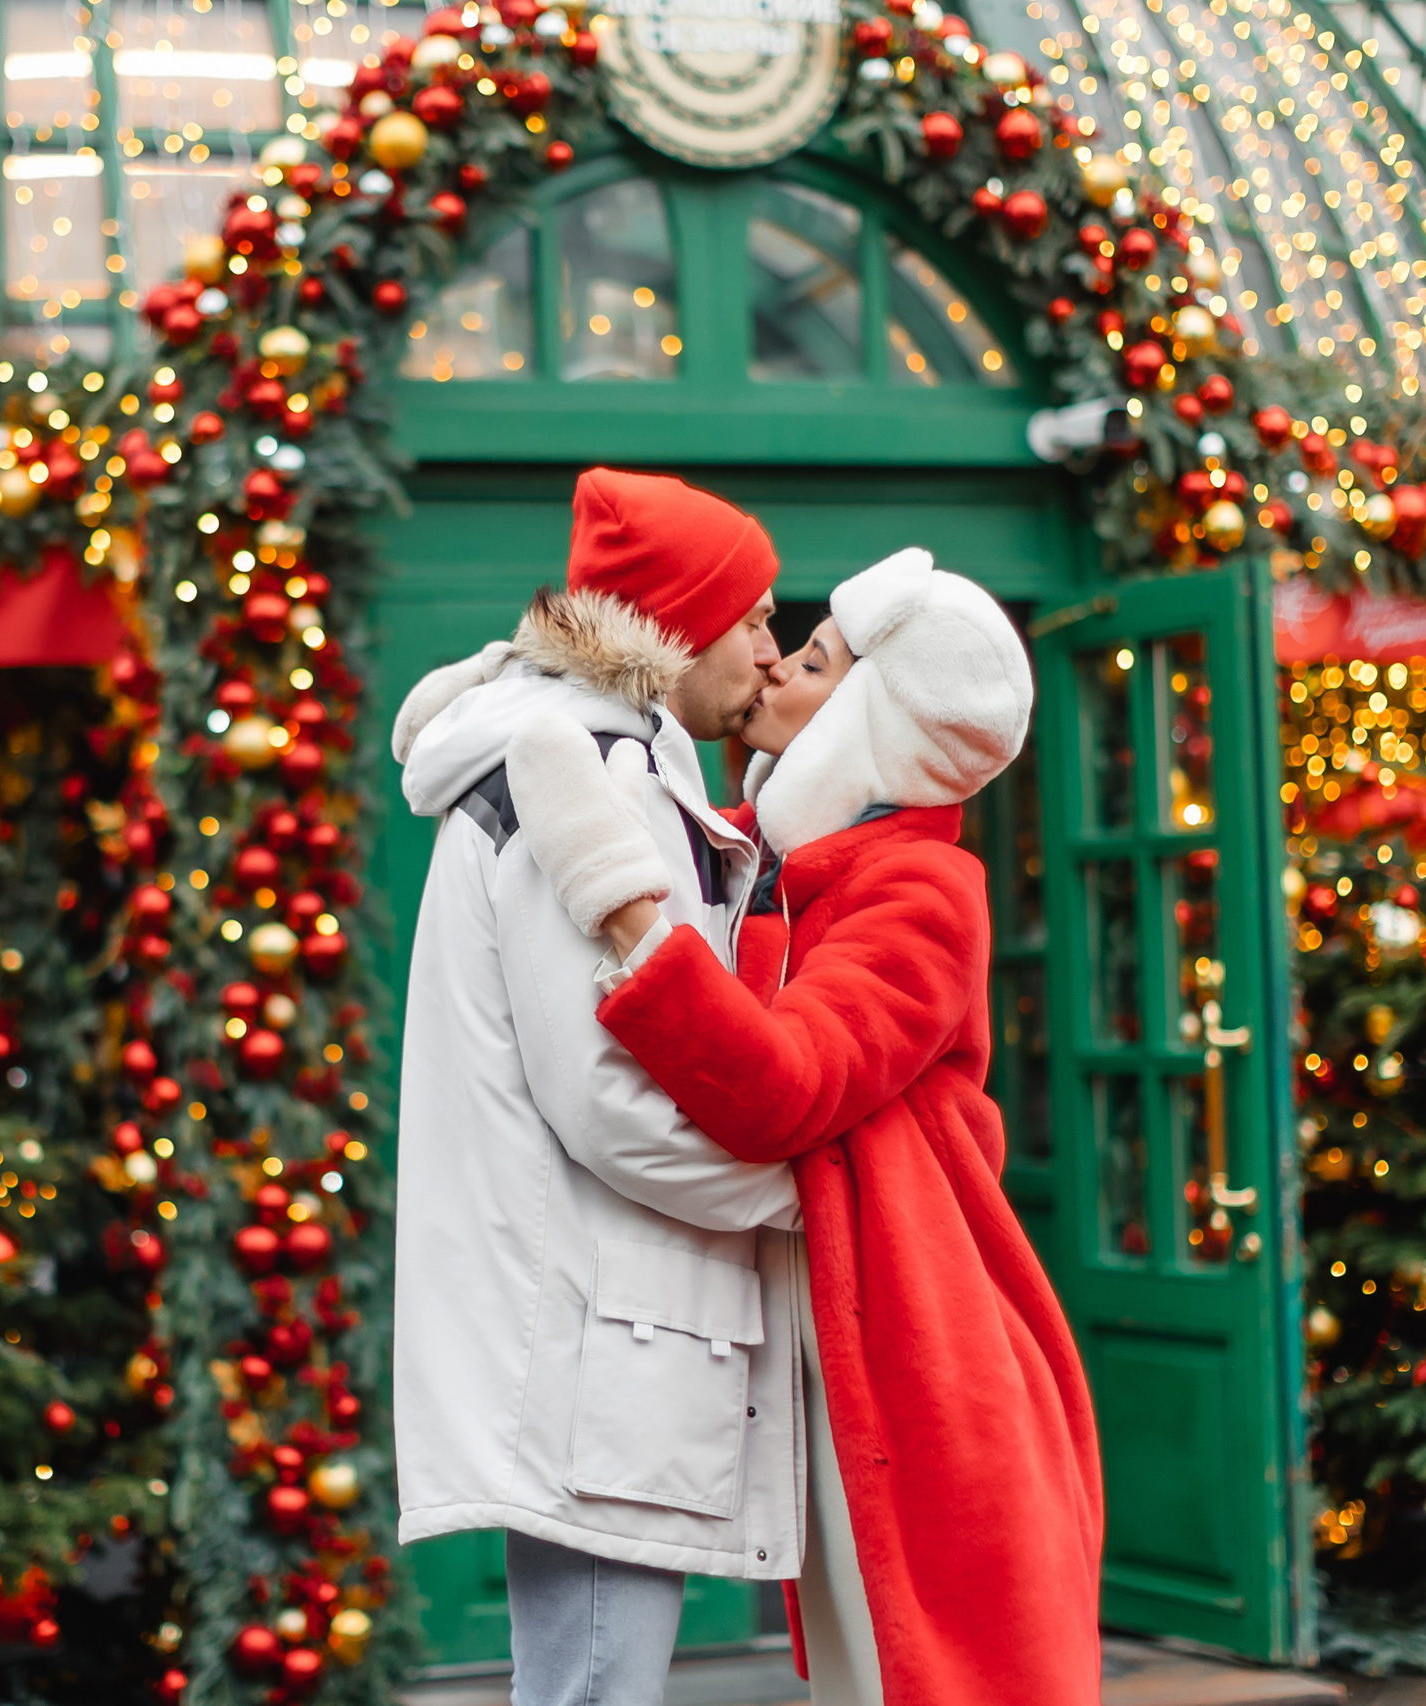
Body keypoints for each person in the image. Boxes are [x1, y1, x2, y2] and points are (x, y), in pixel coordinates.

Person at [502, 548, 1105, 1706]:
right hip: (833, 1331)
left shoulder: (921, 889)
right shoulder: (781, 860)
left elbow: (785, 1086)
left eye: (814, 659)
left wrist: (623, 909)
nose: (771, 667)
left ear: (871, 717)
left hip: (921, 1350)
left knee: (913, 1668)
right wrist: (502, 699)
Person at [388, 468, 806, 1706]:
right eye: (754, 619)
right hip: (598, 1326)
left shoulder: (602, 758)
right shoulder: (591, 775)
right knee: (588, 1689)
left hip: (602, 1318)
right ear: (678, 627)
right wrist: (807, 1185)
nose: (771, 653)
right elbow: (616, 1098)